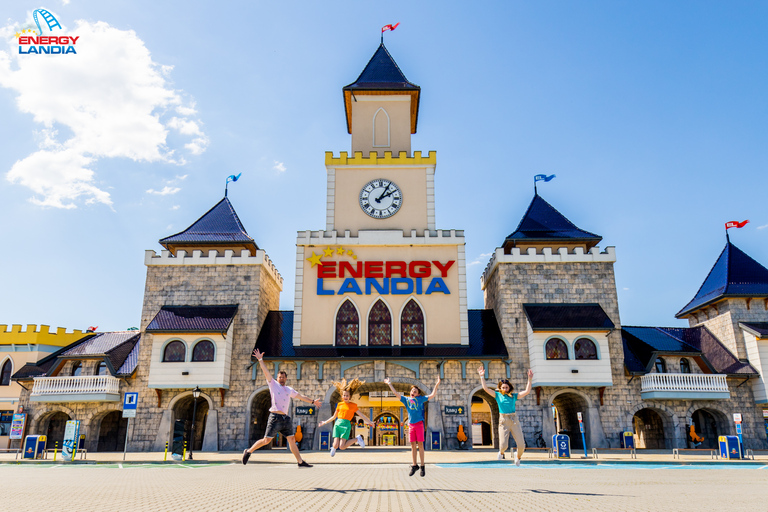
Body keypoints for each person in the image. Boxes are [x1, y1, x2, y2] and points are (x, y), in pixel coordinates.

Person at [242, 349, 322, 468]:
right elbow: (265, 372)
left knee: (291, 439)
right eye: (280, 377)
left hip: (285, 419)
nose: (281, 379)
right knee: (266, 440)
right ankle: (248, 451)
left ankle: (300, 462)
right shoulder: (273, 384)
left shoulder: (289, 389)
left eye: (283, 377)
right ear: (277, 378)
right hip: (274, 418)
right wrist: (260, 360)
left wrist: (312, 401)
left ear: (286, 378)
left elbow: (301, 396)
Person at [384, 376, 440, 477]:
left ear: (418, 394)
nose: (413, 392)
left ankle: (422, 466)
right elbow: (396, 394)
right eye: (412, 391)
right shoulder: (406, 400)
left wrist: (437, 384)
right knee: (413, 445)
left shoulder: (420, 399)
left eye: (415, 391)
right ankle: (415, 465)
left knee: (421, 445)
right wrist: (389, 384)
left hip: (419, 424)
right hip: (411, 425)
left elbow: (432, 395)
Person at [478, 366, 533, 466]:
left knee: (521, 445)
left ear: (509, 388)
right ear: (500, 388)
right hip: (503, 420)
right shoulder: (497, 395)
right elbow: (485, 389)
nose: (505, 389)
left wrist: (529, 379)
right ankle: (501, 453)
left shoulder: (514, 396)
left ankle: (518, 457)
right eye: (503, 387)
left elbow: (527, 391)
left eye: (506, 387)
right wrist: (482, 376)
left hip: (514, 420)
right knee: (503, 445)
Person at [317, 378, 375, 456]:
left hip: (346, 425)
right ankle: (333, 448)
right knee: (335, 444)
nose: (345, 397)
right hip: (337, 425)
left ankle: (357, 439)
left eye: (347, 395)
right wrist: (324, 422)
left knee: (342, 447)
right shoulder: (339, 404)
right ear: (342, 396)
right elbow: (334, 417)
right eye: (344, 395)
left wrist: (370, 422)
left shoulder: (353, 406)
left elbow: (361, 415)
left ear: (350, 396)